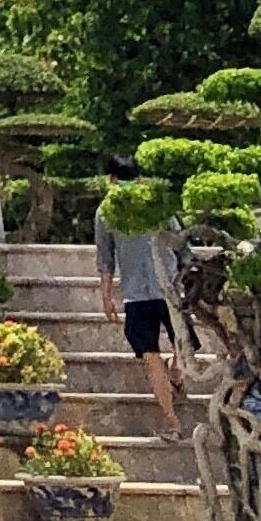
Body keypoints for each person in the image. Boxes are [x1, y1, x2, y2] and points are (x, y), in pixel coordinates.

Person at [95, 155, 188, 436]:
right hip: (168, 288)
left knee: (152, 356)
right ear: (139, 178)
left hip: (139, 294)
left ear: (111, 178)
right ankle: (175, 384)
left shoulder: (105, 210)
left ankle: (171, 418)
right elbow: (181, 243)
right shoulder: (158, 204)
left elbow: (105, 259)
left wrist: (107, 296)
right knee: (180, 346)